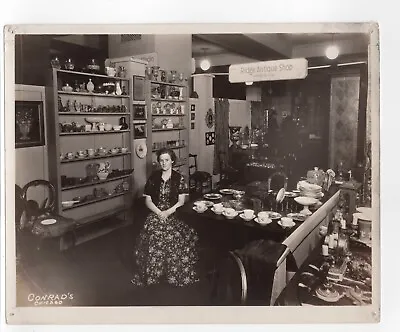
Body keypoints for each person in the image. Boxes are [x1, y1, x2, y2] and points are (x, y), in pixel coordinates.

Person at [131, 148, 200, 287]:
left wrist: (167, 213)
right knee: (155, 233)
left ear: (172, 161)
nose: (163, 163)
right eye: (161, 160)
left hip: (173, 213)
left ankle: (174, 273)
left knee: (174, 236)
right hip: (156, 213)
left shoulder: (179, 178)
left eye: (166, 160)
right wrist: (159, 213)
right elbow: (148, 201)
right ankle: (153, 274)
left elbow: (181, 202)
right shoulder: (153, 178)